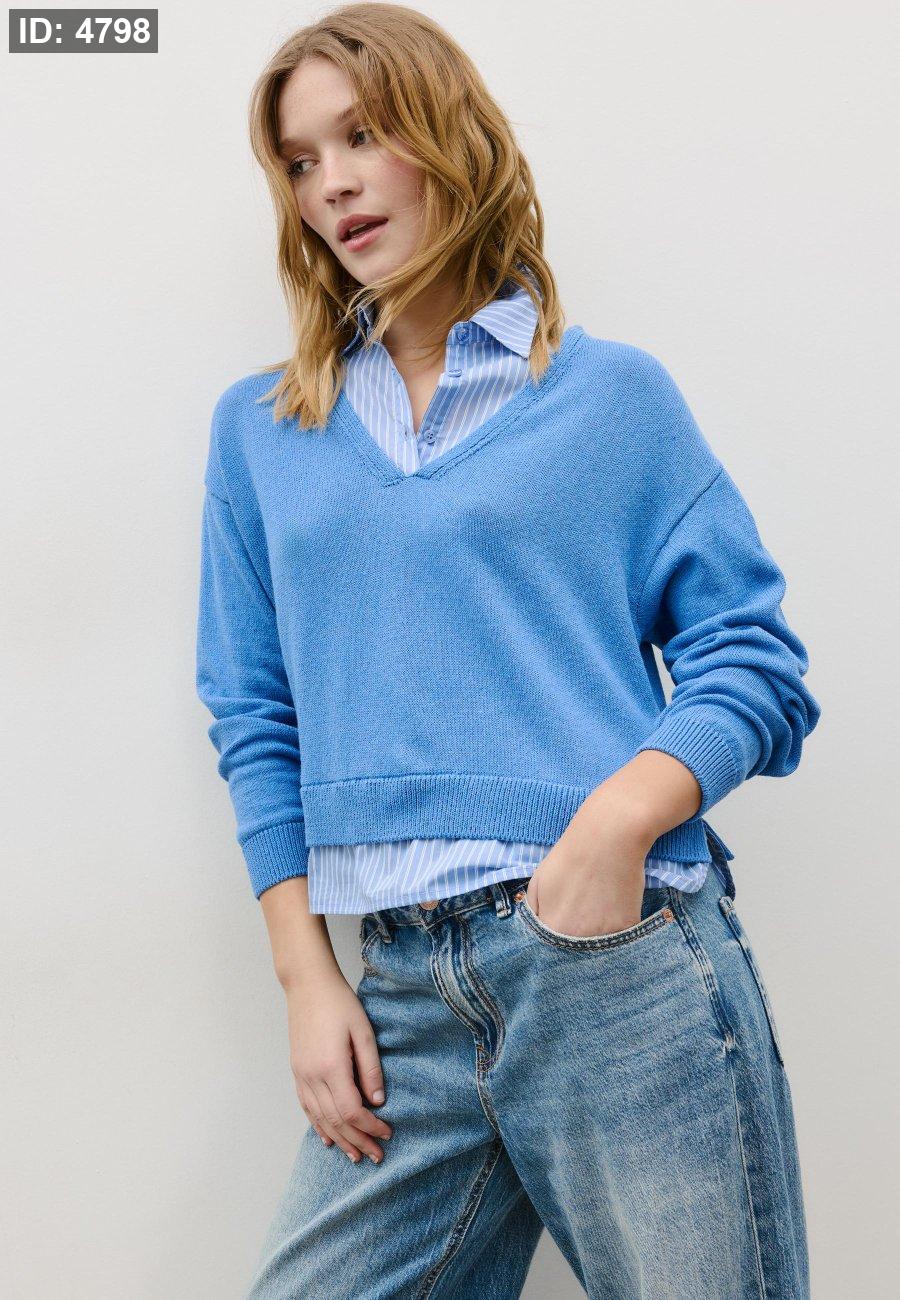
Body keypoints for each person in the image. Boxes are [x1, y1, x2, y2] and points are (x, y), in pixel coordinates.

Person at [195, 5, 821, 1296]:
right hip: (402, 1000)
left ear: (450, 136)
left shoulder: (609, 399)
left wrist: (613, 826)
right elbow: (255, 713)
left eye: (362, 136)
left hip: (618, 967)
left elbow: (754, 660)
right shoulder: (263, 431)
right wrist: (308, 977)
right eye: (301, 162)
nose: (332, 184)